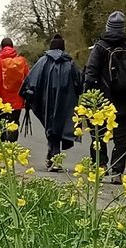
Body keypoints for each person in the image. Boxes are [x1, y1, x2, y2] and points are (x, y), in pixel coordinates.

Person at [84, 11, 126, 184]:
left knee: (98, 136)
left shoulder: (100, 47)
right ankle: (117, 172)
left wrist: (87, 97)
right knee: (121, 139)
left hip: (102, 101)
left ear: (108, 27)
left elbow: (90, 74)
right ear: (123, 28)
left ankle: (100, 166)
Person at [24, 35, 83, 172]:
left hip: (46, 101)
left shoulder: (42, 62)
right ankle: (54, 156)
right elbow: (80, 83)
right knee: (61, 127)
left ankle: (53, 155)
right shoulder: (70, 63)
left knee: (51, 127)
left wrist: (29, 96)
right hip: (66, 103)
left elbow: (31, 82)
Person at [0, 38, 31, 146]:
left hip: (2, 100)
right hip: (17, 99)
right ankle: (11, 146)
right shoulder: (21, 61)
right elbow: (28, 79)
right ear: (13, 47)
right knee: (14, 122)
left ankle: (0, 144)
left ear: (1, 48)